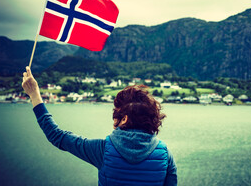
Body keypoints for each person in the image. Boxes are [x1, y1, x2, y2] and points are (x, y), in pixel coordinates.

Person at [22, 66, 177, 186]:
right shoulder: (165, 155)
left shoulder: (103, 150)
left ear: (124, 119)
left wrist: (34, 95)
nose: (113, 119)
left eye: (115, 114)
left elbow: (57, 136)